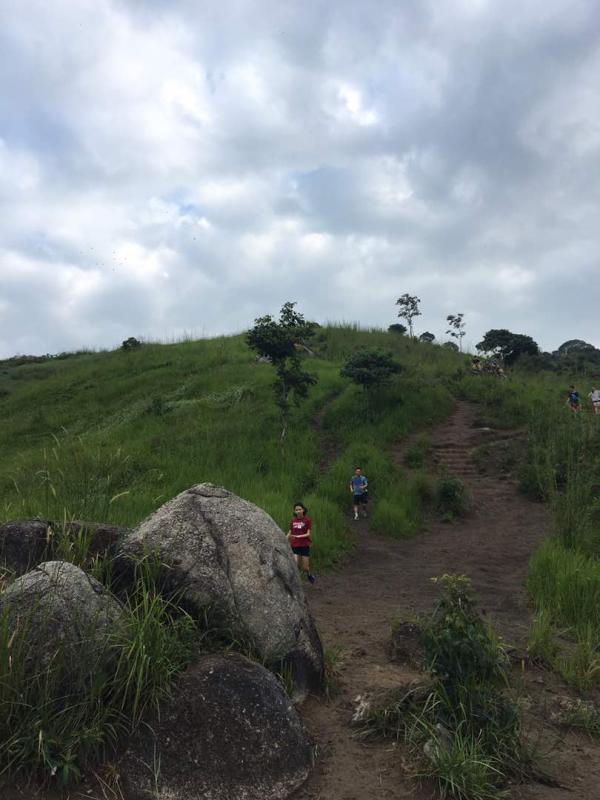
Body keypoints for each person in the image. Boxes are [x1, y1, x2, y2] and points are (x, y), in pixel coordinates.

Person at [287, 503, 316, 584]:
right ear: (294, 511)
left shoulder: (307, 520)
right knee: (295, 564)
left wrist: (298, 536)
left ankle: (309, 575)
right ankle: (295, 581)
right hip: (295, 545)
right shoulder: (293, 521)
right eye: (296, 510)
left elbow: (308, 534)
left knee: (305, 568)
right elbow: (290, 532)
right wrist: (285, 539)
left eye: (300, 509)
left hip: (304, 545)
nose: (298, 511)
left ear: (303, 510)